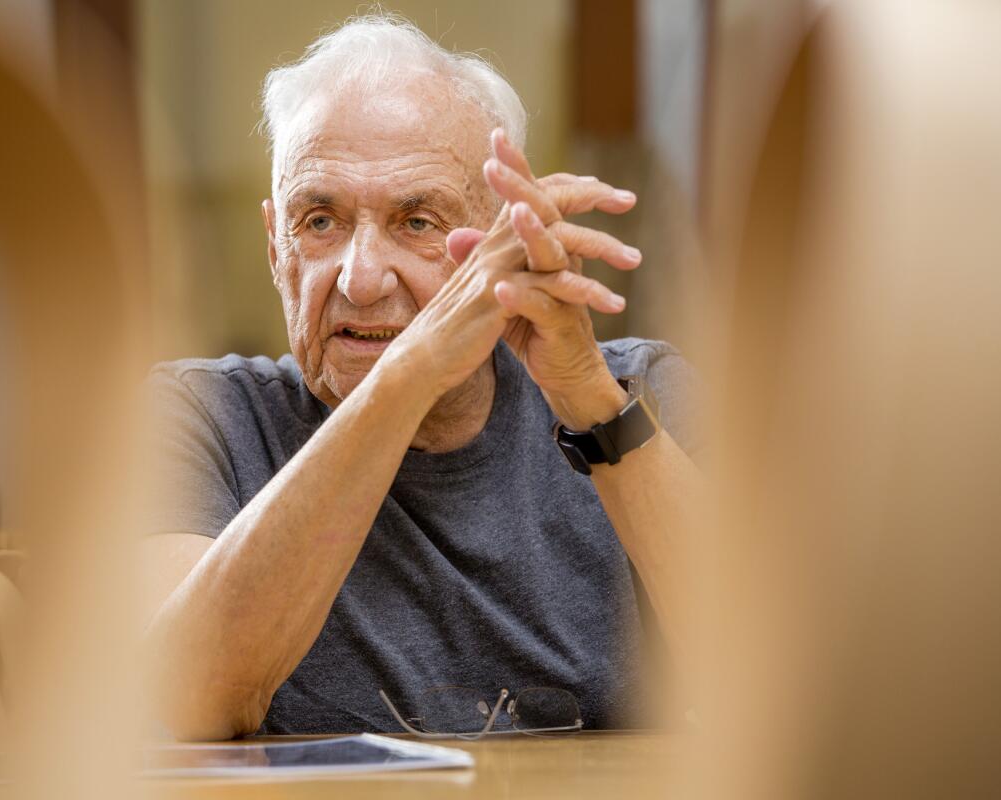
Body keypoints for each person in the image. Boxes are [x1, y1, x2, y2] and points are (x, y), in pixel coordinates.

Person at [141, 14, 701, 740]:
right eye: (319, 221)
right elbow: (177, 703)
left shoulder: (639, 392)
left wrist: (596, 408)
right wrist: (414, 369)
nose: (361, 278)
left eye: (416, 222)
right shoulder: (200, 415)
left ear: (505, 236)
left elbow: (785, 682)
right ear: (273, 245)